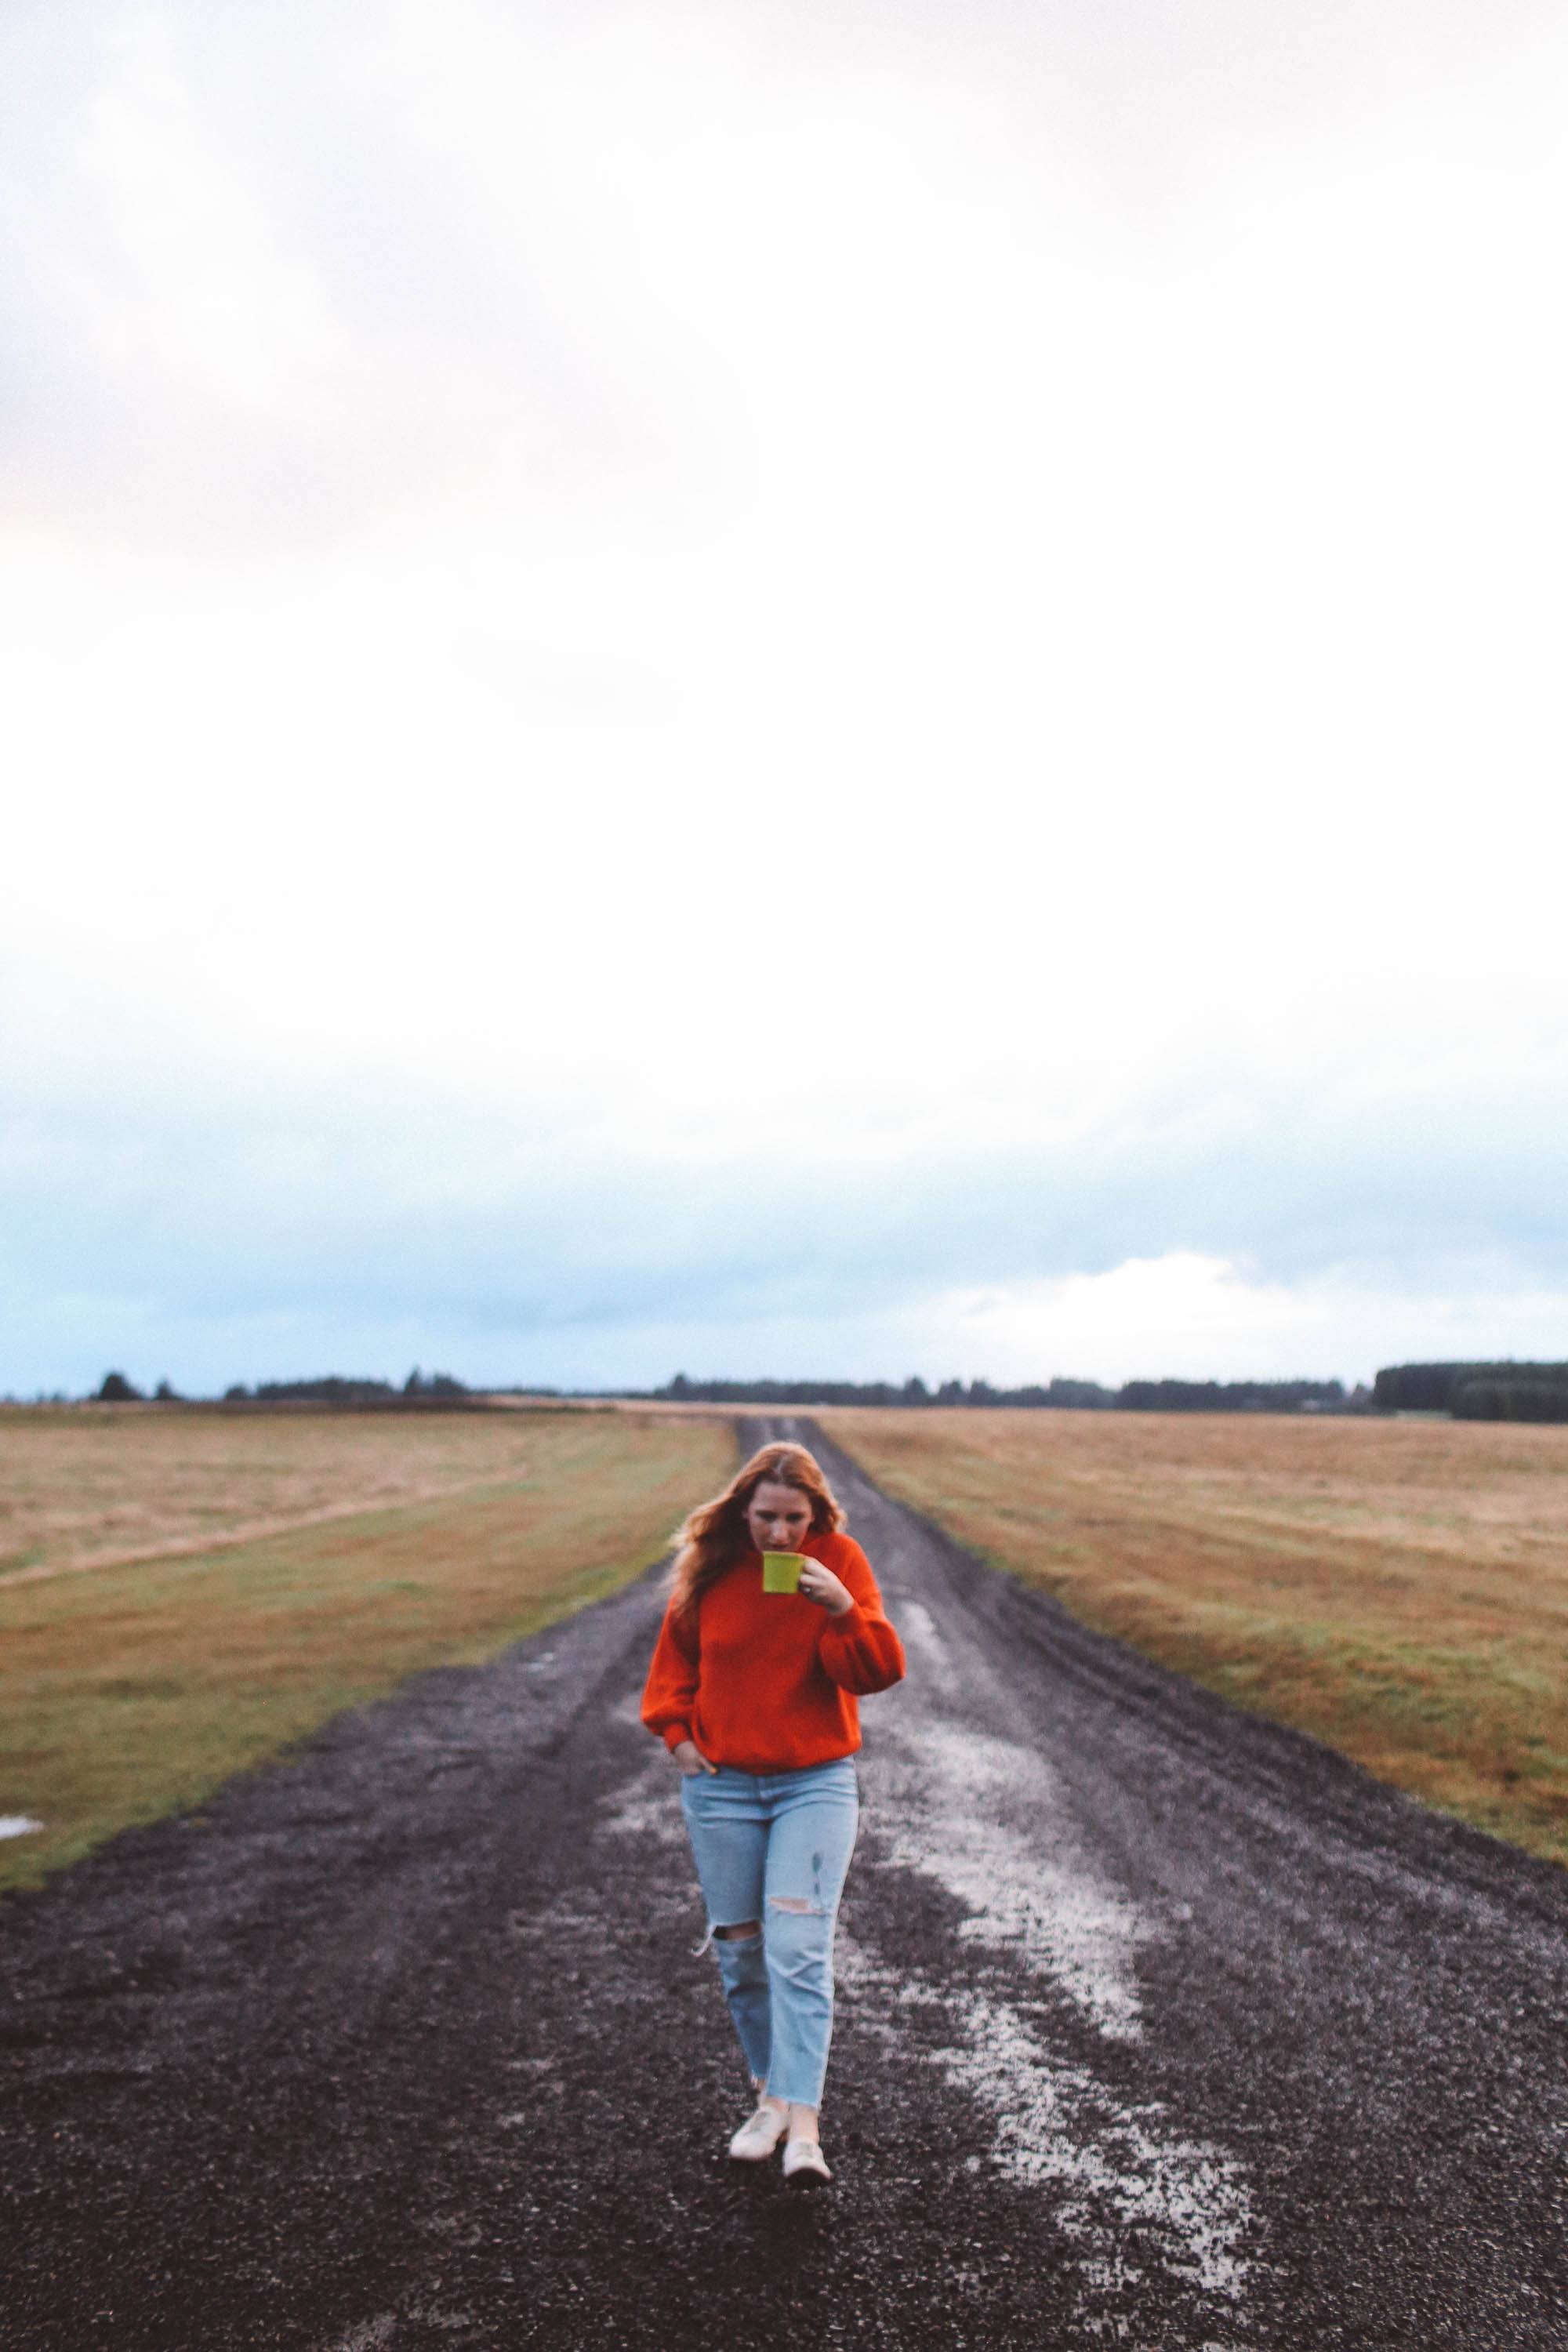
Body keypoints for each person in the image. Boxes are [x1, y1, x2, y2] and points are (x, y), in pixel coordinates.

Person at [641, 1439, 906, 2188]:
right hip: (721, 1790)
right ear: (743, 1512)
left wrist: (842, 1611)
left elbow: (879, 1672)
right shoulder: (713, 1568)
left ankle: (805, 2130)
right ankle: (769, 2100)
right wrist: (679, 1737)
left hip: (812, 1784)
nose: (781, 1535)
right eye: (766, 1518)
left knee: (799, 1947)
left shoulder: (840, 1562)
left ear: (816, 1515)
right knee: (741, 1951)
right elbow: (674, 1666)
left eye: (794, 1518)